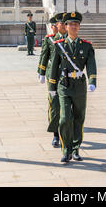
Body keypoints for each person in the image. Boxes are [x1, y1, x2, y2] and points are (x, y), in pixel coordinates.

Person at [48, 12, 97, 164]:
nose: (73, 26)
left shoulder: (86, 46)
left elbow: (91, 64)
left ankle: (75, 149)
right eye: (70, 24)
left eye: (76, 24)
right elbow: (54, 66)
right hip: (64, 85)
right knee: (64, 118)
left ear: (79, 27)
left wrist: (92, 81)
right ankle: (65, 149)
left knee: (78, 118)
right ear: (66, 26)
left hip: (79, 87)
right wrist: (52, 86)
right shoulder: (59, 45)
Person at [37, 13, 67, 148]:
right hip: (52, 76)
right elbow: (44, 56)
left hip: (67, 76)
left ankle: (66, 133)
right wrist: (42, 72)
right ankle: (55, 134)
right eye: (59, 24)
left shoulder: (71, 39)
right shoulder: (50, 40)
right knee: (54, 104)